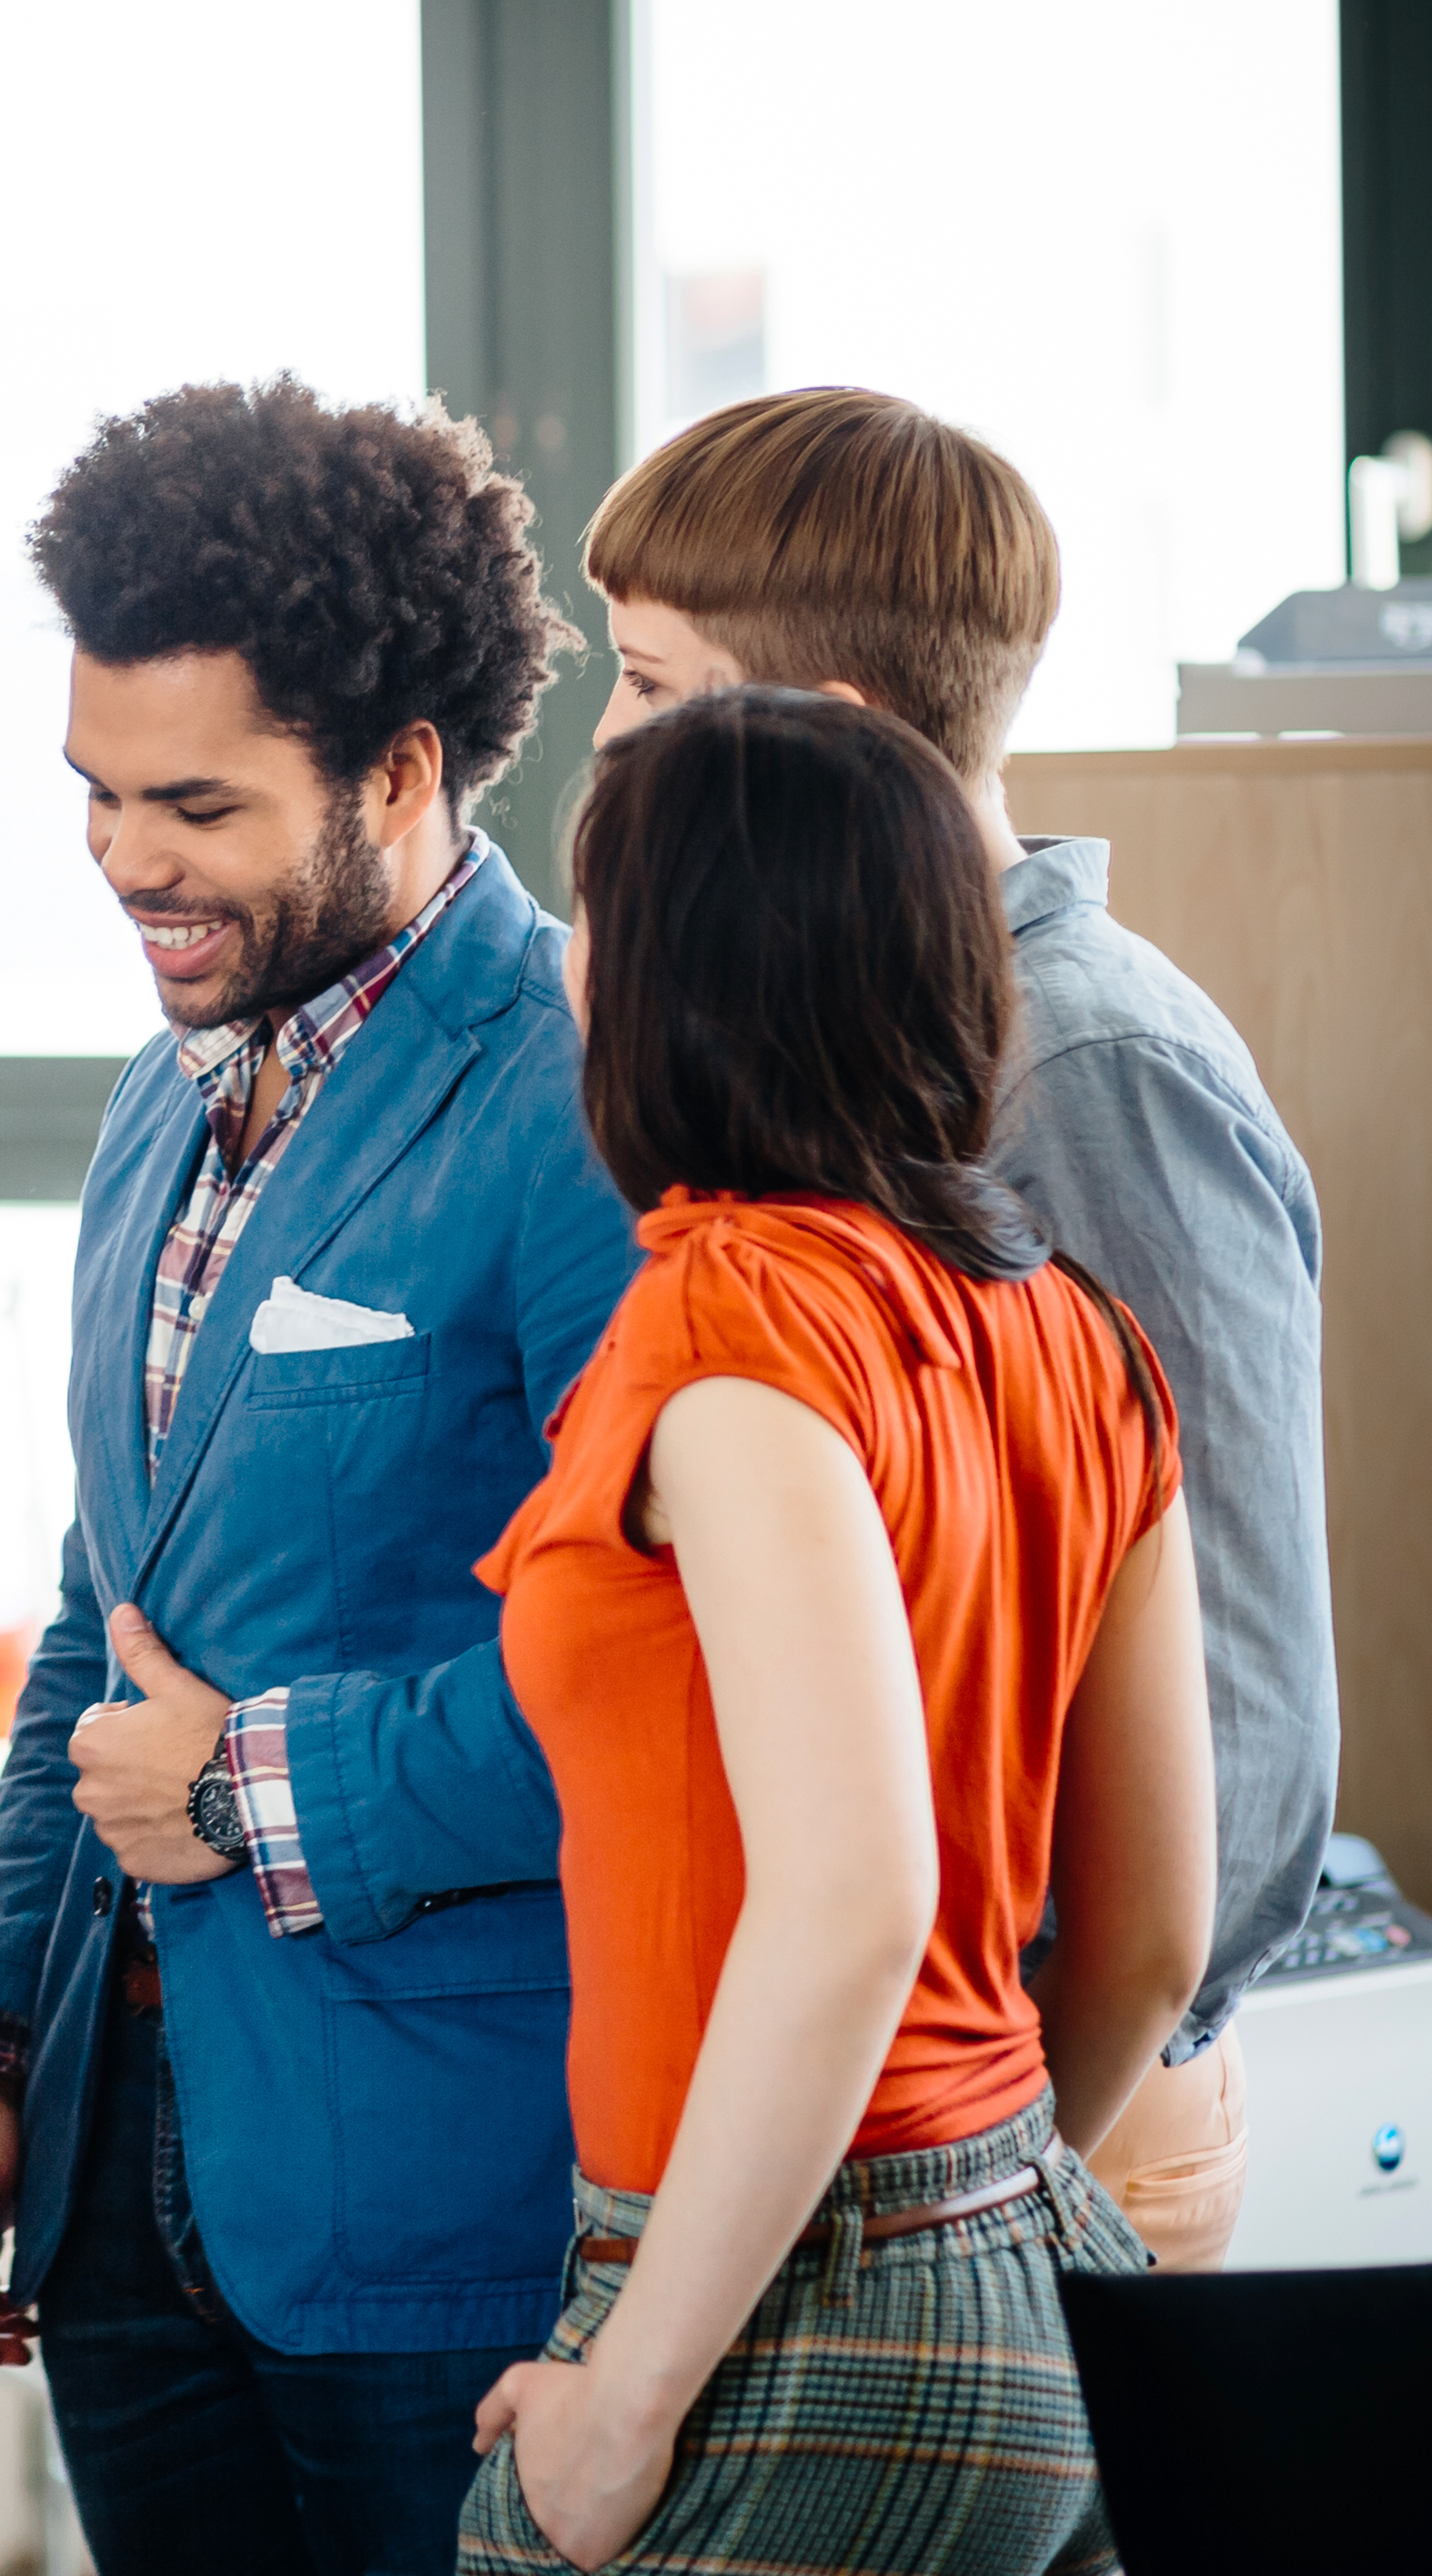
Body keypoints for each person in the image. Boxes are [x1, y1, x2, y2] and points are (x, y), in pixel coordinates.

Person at [0, 378, 644, 2576]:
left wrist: (253, 1787)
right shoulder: (157, 1093)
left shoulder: (582, 1099)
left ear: (399, 769)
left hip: (439, 2207)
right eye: (96, 794)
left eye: (196, 802)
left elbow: (655, 1686)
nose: (127, 858)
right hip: (120, 2193)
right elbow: (107, 1615)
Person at [580, 384, 1336, 2273]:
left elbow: (1234, 1740)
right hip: (916, 2113)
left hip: (1018, 2123)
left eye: (651, 687)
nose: (603, 739)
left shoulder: (1078, 1058)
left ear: (812, 739)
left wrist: (987, 2159)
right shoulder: (874, 1037)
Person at [456, 688, 1212, 2574]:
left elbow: (855, 1896)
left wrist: (628, 2396)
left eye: (587, 919)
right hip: (1030, 2251)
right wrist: (974, 2204)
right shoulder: (1080, 1335)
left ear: (661, 971)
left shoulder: (727, 1324)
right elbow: (1148, 1934)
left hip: (779, 2286)